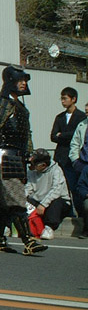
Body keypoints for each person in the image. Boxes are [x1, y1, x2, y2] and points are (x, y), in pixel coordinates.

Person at [0, 65, 47, 255]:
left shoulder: (21, 107)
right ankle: (28, 241)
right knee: (16, 198)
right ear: (10, 81)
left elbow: (26, 135)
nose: (23, 83)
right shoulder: (1, 103)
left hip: (18, 157)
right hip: (4, 156)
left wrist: (29, 154)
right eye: (20, 80)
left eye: (25, 80)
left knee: (4, 202)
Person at [51, 87, 86, 217]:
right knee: (60, 187)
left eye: (65, 98)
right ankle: (68, 212)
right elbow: (53, 136)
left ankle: (81, 214)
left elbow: (76, 135)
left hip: (74, 158)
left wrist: (62, 135)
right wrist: (61, 136)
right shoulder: (59, 117)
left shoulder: (81, 117)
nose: (63, 101)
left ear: (73, 99)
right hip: (60, 157)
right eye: (62, 98)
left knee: (74, 186)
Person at [25, 149, 72, 240]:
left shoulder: (56, 170)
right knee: (22, 200)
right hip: (38, 201)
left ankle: (49, 228)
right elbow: (28, 187)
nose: (31, 166)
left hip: (57, 201)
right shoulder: (32, 171)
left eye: (34, 164)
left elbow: (56, 190)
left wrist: (43, 204)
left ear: (43, 165)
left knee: (56, 202)